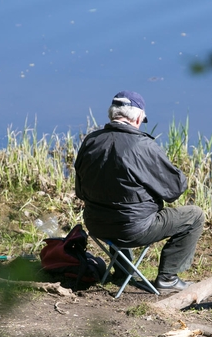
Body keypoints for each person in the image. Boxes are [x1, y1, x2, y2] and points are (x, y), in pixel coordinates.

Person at [74, 90, 204, 293]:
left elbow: (80, 192)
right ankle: (168, 279)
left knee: (118, 208)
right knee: (195, 216)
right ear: (137, 118)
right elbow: (174, 191)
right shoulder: (144, 146)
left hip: (96, 224)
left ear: (113, 115)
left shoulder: (90, 141)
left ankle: (123, 271)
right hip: (133, 231)